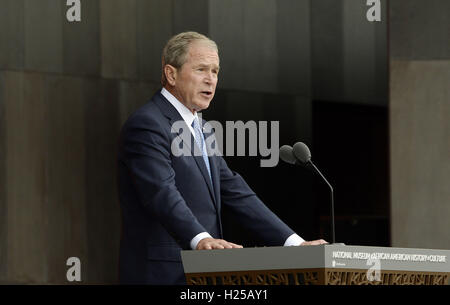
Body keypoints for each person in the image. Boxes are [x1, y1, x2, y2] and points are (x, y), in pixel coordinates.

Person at [117, 31, 327, 285]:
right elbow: (161, 192)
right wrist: (200, 238)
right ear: (171, 74)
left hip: (203, 274)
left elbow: (235, 191)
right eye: (201, 69)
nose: (210, 80)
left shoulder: (202, 129)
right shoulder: (148, 124)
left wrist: (295, 243)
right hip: (163, 274)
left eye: (215, 71)